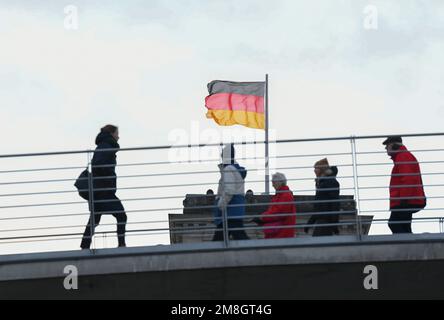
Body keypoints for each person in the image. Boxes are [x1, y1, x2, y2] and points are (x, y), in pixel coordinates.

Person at [80, 125, 127, 249]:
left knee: (95, 219)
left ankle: (84, 246)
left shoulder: (104, 145)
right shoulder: (105, 146)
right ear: (111, 133)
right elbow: (98, 164)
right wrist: (108, 176)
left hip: (100, 190)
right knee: (121, 215)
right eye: (117, 133)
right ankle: (121, 245)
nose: (119, 136)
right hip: (104, 190)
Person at [383, 136, 426, 234]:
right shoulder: (402, 156)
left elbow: (408, 179)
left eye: (387, 145)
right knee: (404, 226)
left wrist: (403, 200)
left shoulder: (403, 156)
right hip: (406, 200)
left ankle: (409, 247)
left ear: (394, 145)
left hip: (405, 201)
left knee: (394, 223)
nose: (386, 148)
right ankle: (411, 247)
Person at [212, 144, 249, 241]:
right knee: (238, 236)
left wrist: (221, 204)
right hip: (235, 210)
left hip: (229, 211)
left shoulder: (228, 169)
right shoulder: (235, 170)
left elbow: (229, 190)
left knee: (218, 241)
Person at [254, 173, 296, 239]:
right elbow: (274, 211)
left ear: (280, 182)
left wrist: (262, 218)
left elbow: (278, 212)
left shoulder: (285, 195)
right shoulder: (280, 195)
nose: (272, 185)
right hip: (277, 233)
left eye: (273, 182)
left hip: (281, 234)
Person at [306, 158, 340, 236]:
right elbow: (318, 207)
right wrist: (310, 223)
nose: (314, 170)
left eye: (316, 168)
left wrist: (334, 225)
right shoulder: (321, 183)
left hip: (326, 221)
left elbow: (335, 203)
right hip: (321, 221)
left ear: (322, 169)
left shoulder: (329, 182)